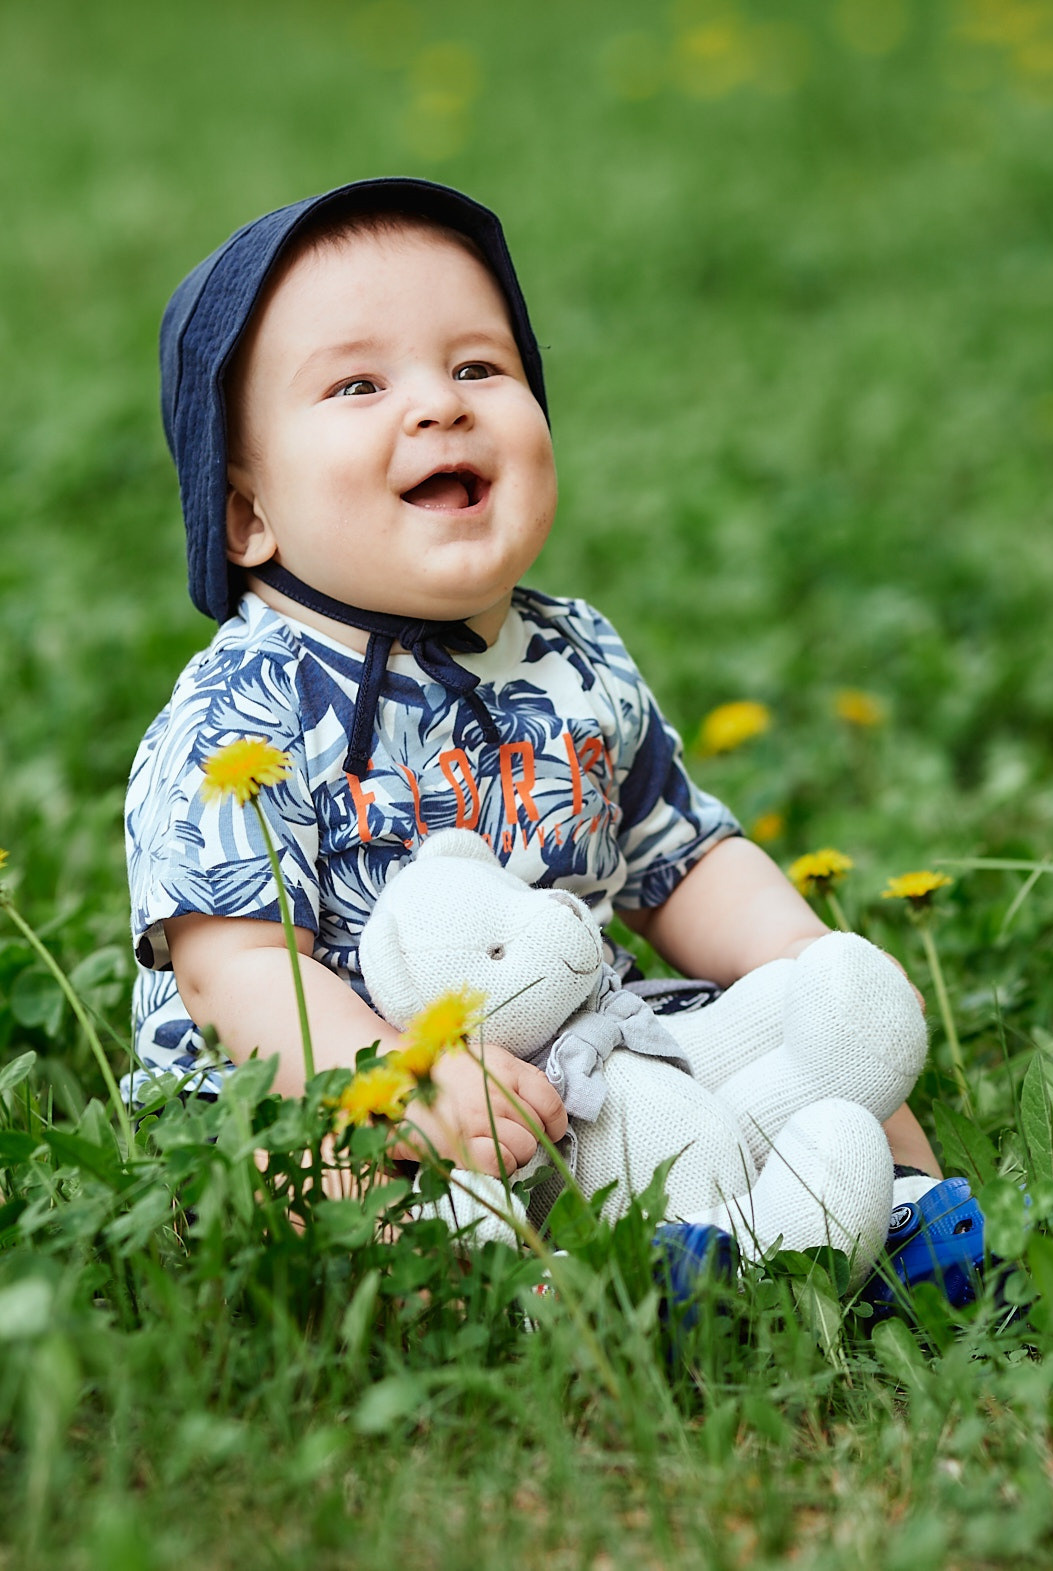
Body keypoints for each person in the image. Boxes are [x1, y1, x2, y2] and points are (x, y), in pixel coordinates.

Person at [128, 177, 942, 1193]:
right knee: (318, 1177)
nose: (441, 403)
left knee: (825, 1026)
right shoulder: (243, 709)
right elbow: (238, 971)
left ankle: (907, 1210)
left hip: (582, 1059)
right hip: (332, 1085)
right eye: (358, 386)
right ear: (247, 515)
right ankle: (598, 1257)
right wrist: (405, 1080)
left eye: (478, 365)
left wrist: (800, 955)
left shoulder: (573, 651)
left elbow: (683, 860)